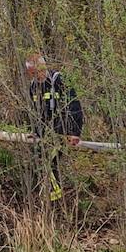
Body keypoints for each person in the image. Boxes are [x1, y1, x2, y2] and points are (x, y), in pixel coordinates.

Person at [24, 55, 84, 201]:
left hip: (63, 130)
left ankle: (56, 199)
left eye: (37, 71)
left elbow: (74, 106)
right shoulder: (33, 87)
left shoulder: (59, 80)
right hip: (47, 131)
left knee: (51, 161)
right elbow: (37, 113)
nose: (36, 76)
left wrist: (74, 132)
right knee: (37, 158)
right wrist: (36, 132)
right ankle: (45, 197)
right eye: (32, 73)